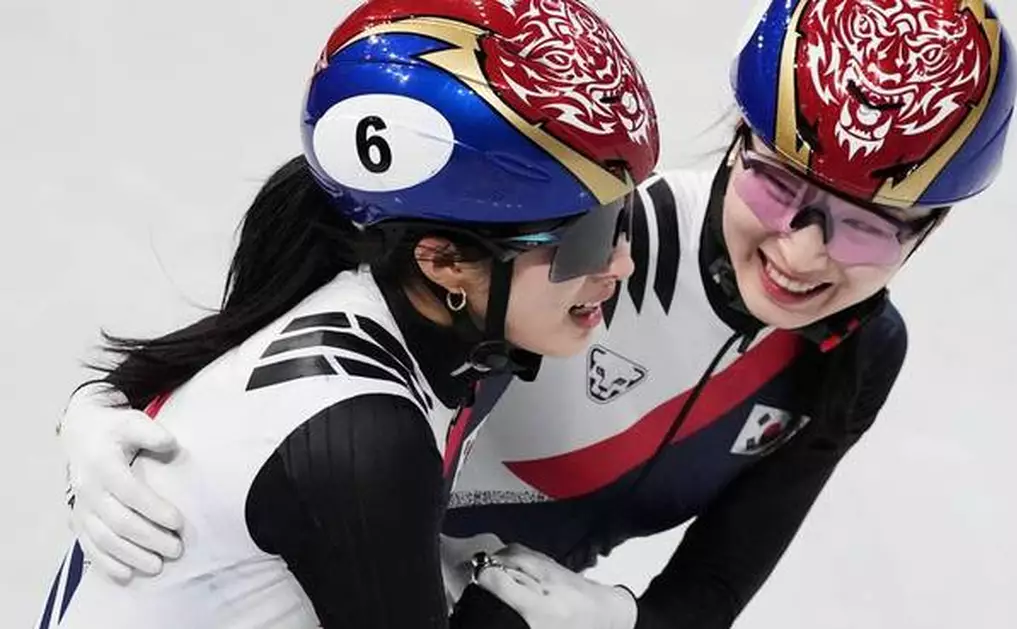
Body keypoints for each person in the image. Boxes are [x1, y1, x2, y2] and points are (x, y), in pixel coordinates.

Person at [54, 0, 1017, 627]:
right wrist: (115, 409)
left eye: (866, 228)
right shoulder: (579, 245)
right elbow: (299, 342)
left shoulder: (852, 355)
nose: (802, 251)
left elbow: (715, 585)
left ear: (927, 234)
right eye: (774, 187)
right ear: (736, 142)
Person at [38, 0, 660, 627]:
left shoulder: (419, 315)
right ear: (442, 260)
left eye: (626, 216)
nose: (623, 263)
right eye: (591, 236)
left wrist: (93, 401)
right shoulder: (364, 431)